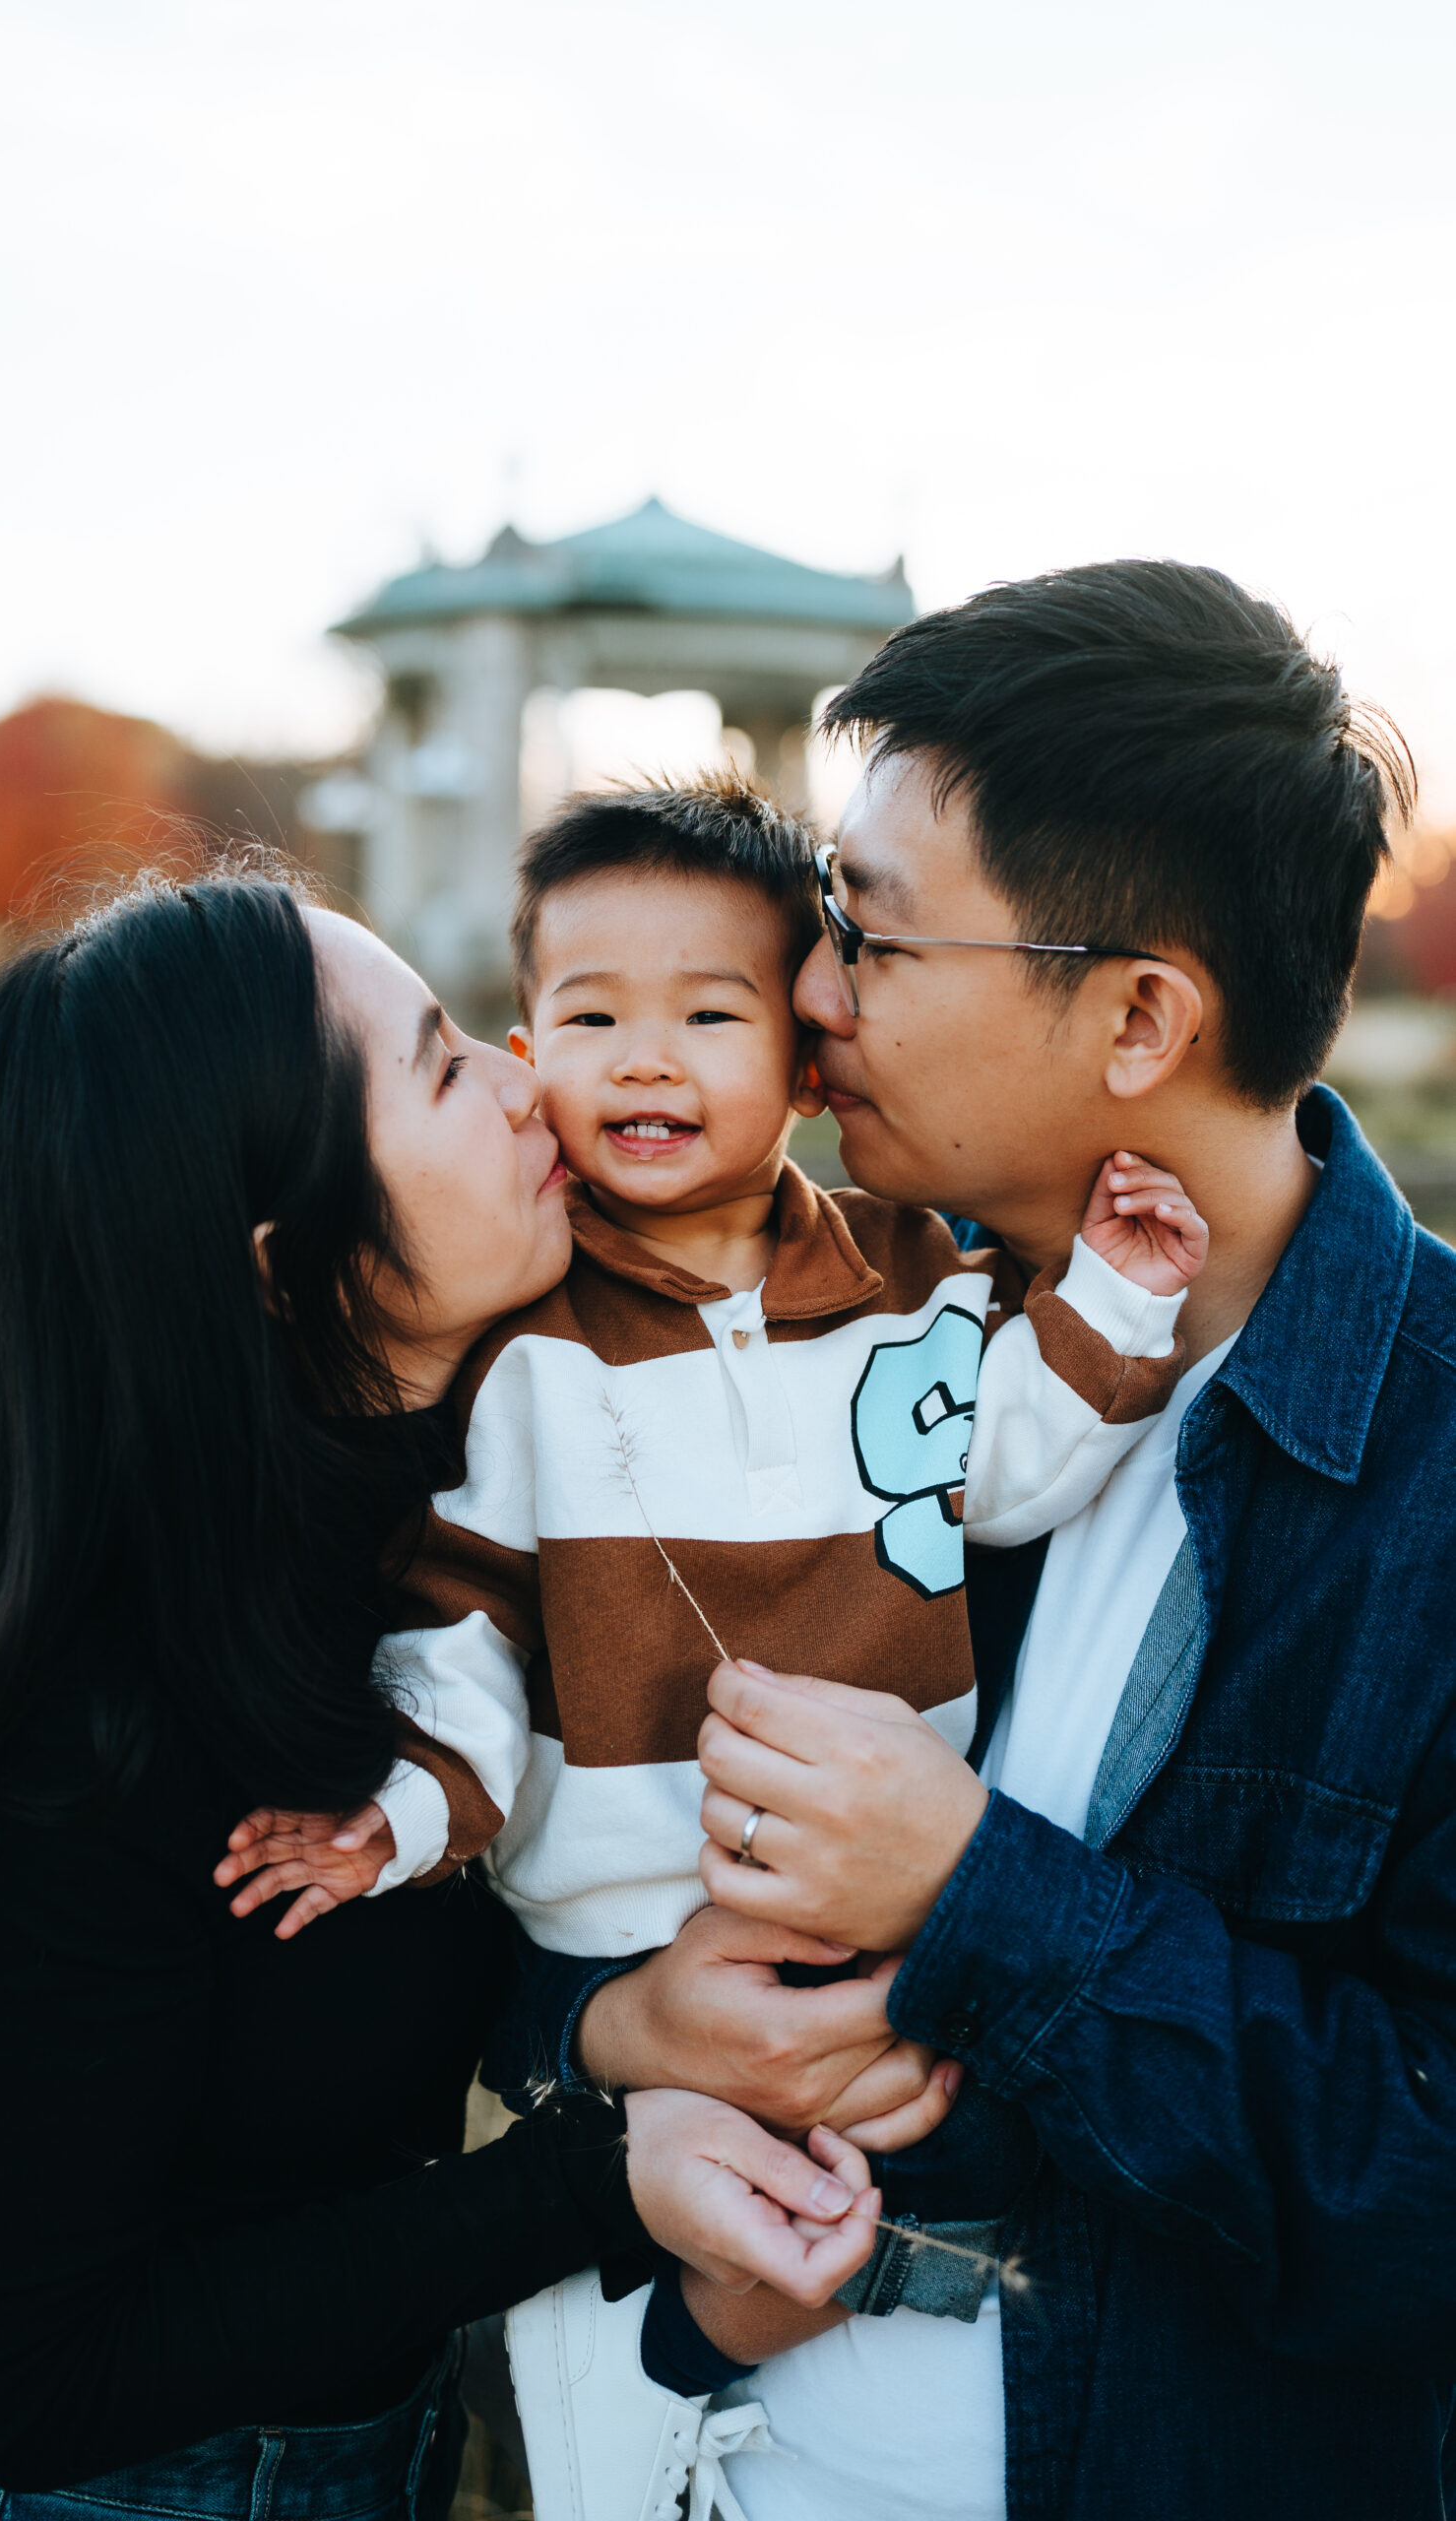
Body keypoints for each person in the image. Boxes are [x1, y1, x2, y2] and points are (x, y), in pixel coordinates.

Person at [489, 559, 1456, 2521]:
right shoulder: (821, 1339)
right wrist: (611, 2023)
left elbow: (1415, 2189)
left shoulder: (1433, 1470)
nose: (805, 991)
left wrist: (981, 1898)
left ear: (1134, 1016)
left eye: (870, 934)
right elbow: (522, 1864)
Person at [0, 867, 886, 2521]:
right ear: (289, 1266)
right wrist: (592, 2183)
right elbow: (38, 2378)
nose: (532, 1079)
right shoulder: (104, 1716)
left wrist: (617, 2023)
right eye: (445, 1064)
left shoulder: (469, 1523)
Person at [217, 776, 1208, 2515]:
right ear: (532, 1049)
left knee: (888, 2171)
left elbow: (1009, 1470)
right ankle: (643, 2416)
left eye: (709, 1015)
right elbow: (460, 1622)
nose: (646, 1061)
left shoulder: (913, 1289)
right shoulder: (525, 1338)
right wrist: (405, 1810)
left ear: (806, 1065)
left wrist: (1115, 1304)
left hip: (871, 1902)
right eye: (592, 1018)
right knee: (635, 2331)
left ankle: (763, 2368)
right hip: (623, 1930)